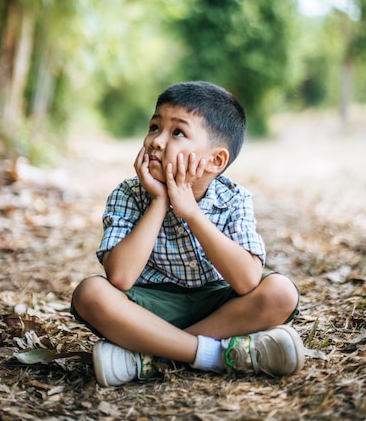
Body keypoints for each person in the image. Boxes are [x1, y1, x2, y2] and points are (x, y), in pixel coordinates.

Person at [71, 81, 304, 386]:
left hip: (220, 308)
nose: (156, 141)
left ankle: (151, 355)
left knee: (280, 292)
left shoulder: (233, 199)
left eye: (177, 132)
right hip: (149, 309)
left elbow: (247, 280)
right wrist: (159, 202)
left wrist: (192, 213)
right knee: (91, 294)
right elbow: (121, 278)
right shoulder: (129, 194)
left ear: (215, 160)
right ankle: (218, 356)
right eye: (155, 127)